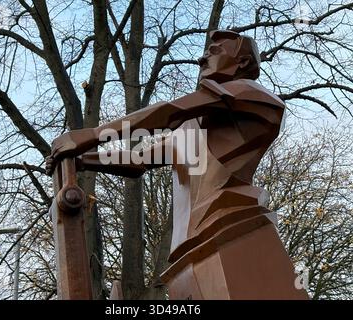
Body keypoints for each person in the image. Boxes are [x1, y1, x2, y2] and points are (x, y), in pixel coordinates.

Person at [47, 30, 306, 299]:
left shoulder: (253, 95)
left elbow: (170, 112)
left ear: (242, 63)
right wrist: (81, 160)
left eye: (214, 51)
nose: (202, 58)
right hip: (191, 249)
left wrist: (90, 136)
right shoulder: (192, 128)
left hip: (231, 229)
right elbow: (139, 160)